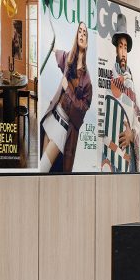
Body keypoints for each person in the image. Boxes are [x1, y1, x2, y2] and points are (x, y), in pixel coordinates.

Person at [39, 22, 93, 172]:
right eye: (80, 31)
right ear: (76, 35)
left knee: (43, 168)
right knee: (43, 169)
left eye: (85, 33)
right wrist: (53, 48)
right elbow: (60, 55)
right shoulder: (69, 59)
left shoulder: (87, 81)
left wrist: (67, 89)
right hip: (52, 116)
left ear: (87, 40)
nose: (82, 35)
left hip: (63, 127)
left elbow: (81, 111)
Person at [100, 29, 140, 172]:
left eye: (125, 47)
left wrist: (133, 134)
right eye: (120, 46)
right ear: (116, 50)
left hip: (128, 150)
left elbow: (138, 115)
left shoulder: (132, 81)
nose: (123, 52)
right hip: (112, 149)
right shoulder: (110, 75)